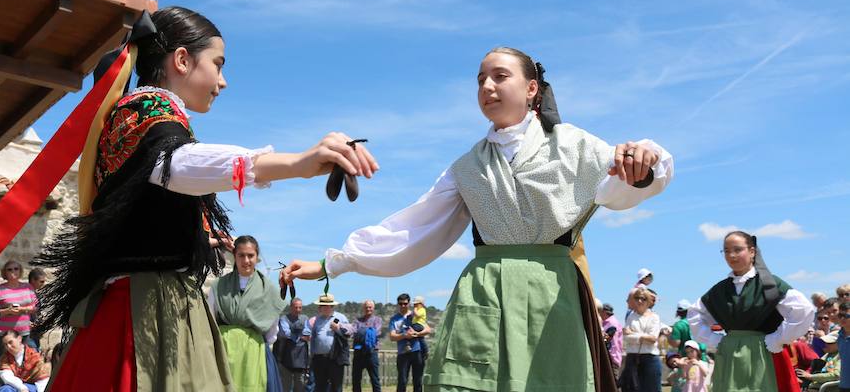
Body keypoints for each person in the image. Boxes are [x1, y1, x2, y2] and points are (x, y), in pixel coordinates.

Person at [282, 47, 675, 392]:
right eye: (480, 79)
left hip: (552, 293)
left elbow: (628, 177)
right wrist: (331, 264)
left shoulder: (572, 144)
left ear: (532, 88)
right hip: (485, 292)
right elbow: (413, 228)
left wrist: (643, 162)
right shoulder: (468, 166)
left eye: (500, 76)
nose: (487, 86)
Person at [31, 6, 378, 390]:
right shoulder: (144, 112)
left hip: (144, 304)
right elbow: (176, 165)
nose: (223, 81)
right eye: (218, 64)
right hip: (146, 312)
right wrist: (297, 163)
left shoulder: (143, 116)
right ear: (182, 59)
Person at [687, 231, 816, 392]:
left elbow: (803, 310)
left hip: (767, 353)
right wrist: (715, 340)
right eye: (726, 251)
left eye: (737, 249)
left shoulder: (769, 283)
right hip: (730, 354)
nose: (731, 255)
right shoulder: (720, 289)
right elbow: (694, 314)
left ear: (752, 251)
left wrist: (777, 339)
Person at [208, 235, 286, 392]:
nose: (246, 260)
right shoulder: (219, 286)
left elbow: (272, 331)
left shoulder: (269, 289)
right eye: (241, 255)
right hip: (224, 350)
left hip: (254, 352)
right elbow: (211, 320)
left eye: (250, 255)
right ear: (234, 256)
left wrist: (251, 341)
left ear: (257, 257)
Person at [303, 294, 350, 392]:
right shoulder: (317, 320)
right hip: (319, 359)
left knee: (336, 387)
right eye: (320, 305)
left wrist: (338, 329)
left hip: (335, 359)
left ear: (329, 306)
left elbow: (350, 333)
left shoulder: (340, 318)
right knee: (320, 386)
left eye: (321, 305)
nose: (319, 308)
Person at [619, 288, 661, 392]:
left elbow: (653, 338)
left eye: (643, 298)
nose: (639, 301)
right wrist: (643, 337)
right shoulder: (630, 317)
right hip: (632, 358)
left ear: (648, 301)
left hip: (650, 358)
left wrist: (633, 334)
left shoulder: (655, 317)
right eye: (637, 298)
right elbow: (626, 337)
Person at [0, 261, 39, 351]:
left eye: (16, 269)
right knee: (4, 361)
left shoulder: (28, 287)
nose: (13, 271)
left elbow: (36, 306)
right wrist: (8, 311)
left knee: (22, 360)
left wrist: (22, 309)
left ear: (20, 271)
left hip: (23, 332)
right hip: (3, 333)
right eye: (9, 269)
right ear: (5, 272)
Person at [391, 293, 428, 392]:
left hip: (417, 352)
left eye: (405, 303)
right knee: (402, 381)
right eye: (401, 303)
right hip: (403, 353)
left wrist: (416, 334)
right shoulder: (394, 319)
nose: (403, 305)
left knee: (418, 381)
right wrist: (404, 336)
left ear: (409, 304)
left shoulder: (416, 315)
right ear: (398, 304)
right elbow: (392, 336)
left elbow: (428, 330)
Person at [276, 298, 309, 392]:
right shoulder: (284, 319)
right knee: (285, 386)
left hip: (301, 358)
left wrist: (295, 335)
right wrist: (299, 336)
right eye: (296, 307)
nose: (298, 309)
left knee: (300, 386)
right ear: (291, 307)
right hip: (286, 357)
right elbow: (286, 333)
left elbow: (307, 333)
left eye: (300, 307)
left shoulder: (305, 318)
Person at [350, 299, 382, 392]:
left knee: (375, 379)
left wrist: (361, 332)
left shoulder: (378, 320)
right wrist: (368, 332)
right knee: (356, 379)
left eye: (370, 307)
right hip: (358, 353)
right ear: (363, 308)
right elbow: (353, 332)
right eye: (366, 307)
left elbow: (376, 332)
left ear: (373, 308)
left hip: (372, 353)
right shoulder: (357, 320)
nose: (368, 309)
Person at [599, 302, 624, 381]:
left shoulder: (611, 324)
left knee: (611, 383)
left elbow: (606, 339)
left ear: (604, 312)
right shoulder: (611, 322)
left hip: (611, 358)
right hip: (611, 358)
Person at [837, 301, 850, 392]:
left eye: (846, 316)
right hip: (844, 385)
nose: (842, 318)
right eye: (840, 315)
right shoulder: (840, 337)